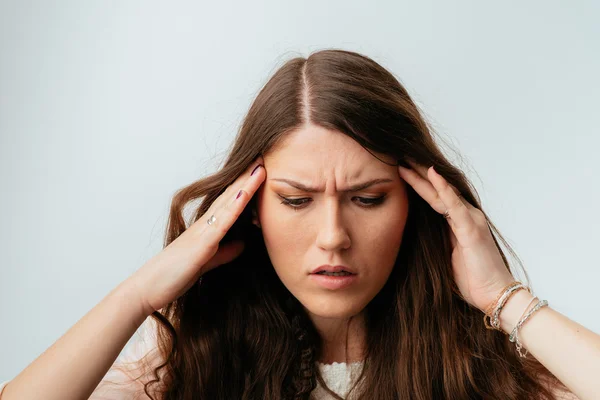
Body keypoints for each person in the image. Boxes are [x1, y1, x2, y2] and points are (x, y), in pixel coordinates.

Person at [1, 49, 596, 400]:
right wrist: (138, 295)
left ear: (417, 204)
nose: (332, 235)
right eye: (295, 200)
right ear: (248, 211)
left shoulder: (477, 368)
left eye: (366, 199)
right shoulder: (190, 362)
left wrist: (505, 300)